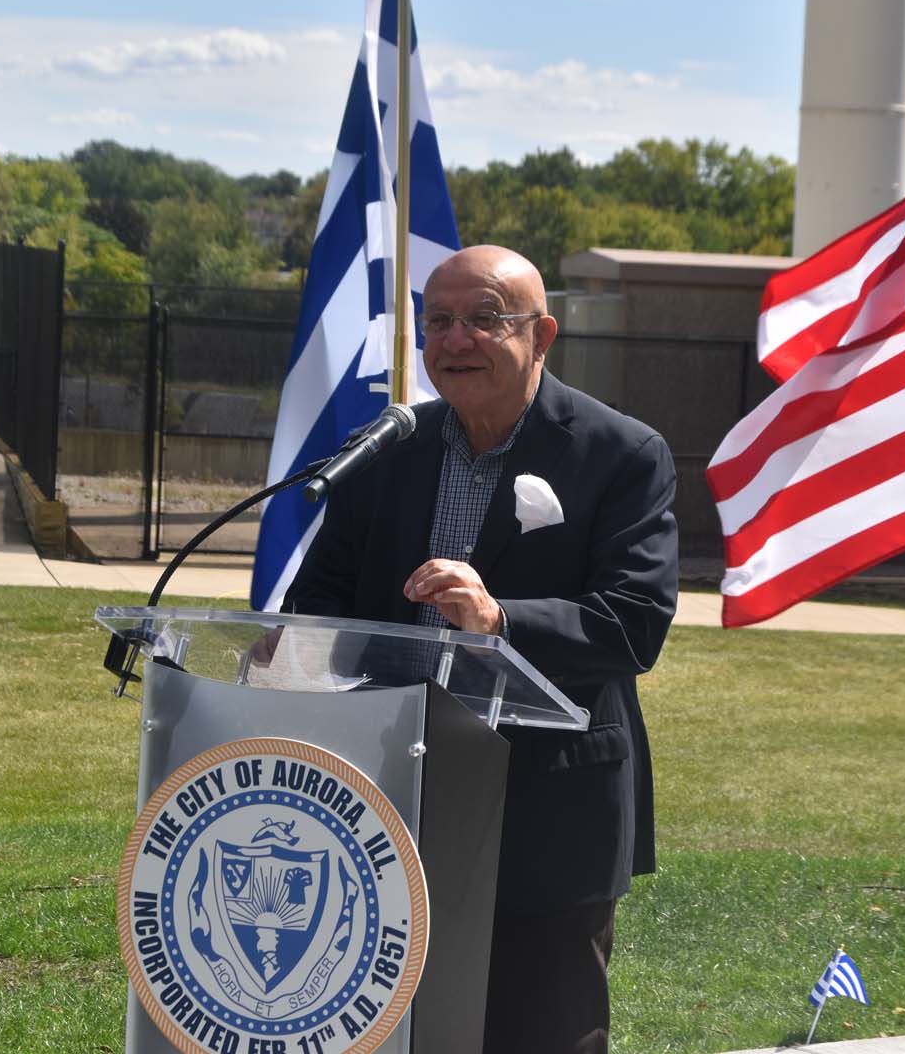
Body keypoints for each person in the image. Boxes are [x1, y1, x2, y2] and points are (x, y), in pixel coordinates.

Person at [284, 244, 679, 1054]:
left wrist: (501, 622)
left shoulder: (621, 454)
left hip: (547, 804)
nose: (455, 339)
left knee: (540, 1033)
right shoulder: (387, 448)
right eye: (438, 321)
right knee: (394, 1028)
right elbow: (318, 597)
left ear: (543, 335)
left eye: (485, 319)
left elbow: (635, 621)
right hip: (390, 783)